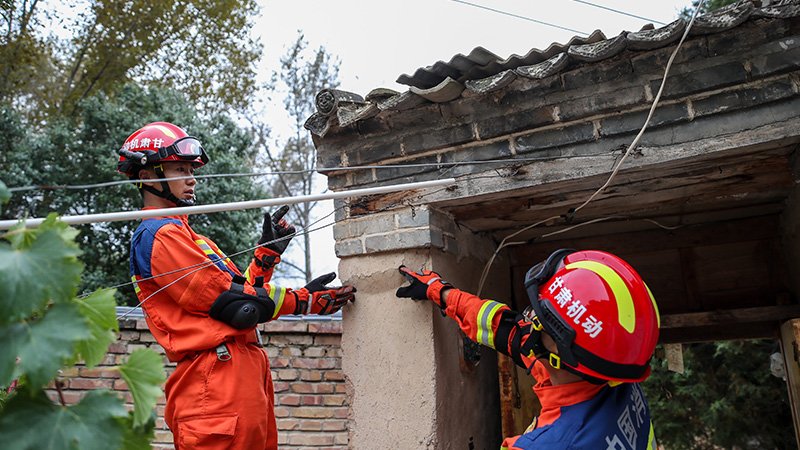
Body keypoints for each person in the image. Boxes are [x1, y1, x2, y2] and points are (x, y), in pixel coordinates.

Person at [118, 121, 356, 449]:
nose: (191, 178)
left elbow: (240, 292)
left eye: (191, 169)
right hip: (213, 379)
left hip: (236, 373)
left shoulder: (190, 236)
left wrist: (266, 258)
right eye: (179, 170)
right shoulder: (160, 234)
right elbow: (236, 307)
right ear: (147, 178)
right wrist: (304, 301)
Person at [396, 248, 659, 449]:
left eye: (541, 317)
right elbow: (508, 330)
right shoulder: (610, 374)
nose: (530, 316)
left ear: (558, 352)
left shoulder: (545, 445)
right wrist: (440, 292)